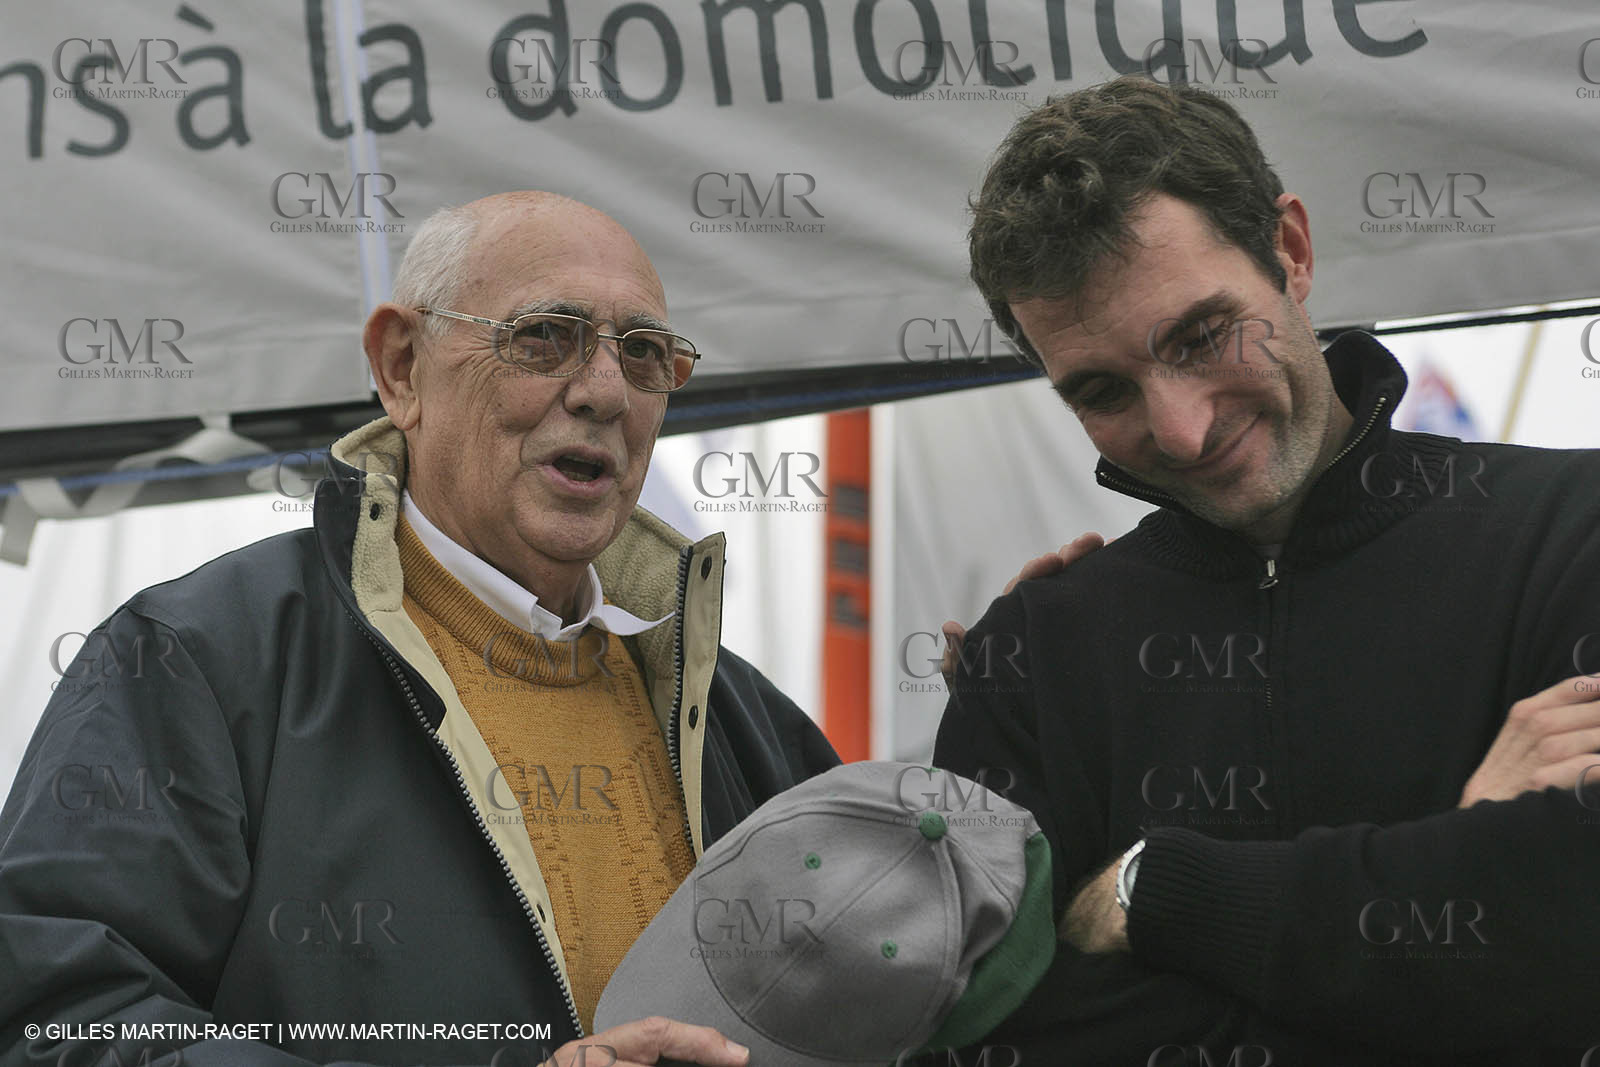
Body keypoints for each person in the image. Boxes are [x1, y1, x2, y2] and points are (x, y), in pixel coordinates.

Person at [0, 192, 839, 1067]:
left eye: (644, 355)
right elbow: (52, 1025)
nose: (602, 392)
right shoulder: (191, 663)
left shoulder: (748, 724)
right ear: (402, 368)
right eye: (545, 335)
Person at [934, 77, 1600, 1065]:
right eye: (1103, 389)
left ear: (1289, 248)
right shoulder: (1031, 659)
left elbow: (1565, 938)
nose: (1182, 427)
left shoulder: (1572, 531)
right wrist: (1448, 882)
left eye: (1202, 336)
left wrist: (1147, 890)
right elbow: (1006, 1028)